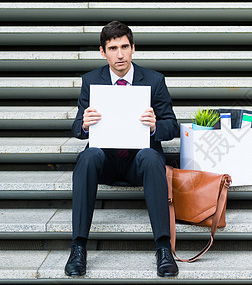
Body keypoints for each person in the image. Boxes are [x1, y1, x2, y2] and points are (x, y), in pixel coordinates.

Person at [65, 21, 179, 277]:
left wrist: (154, 127)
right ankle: (78, 248)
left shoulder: (154, 80)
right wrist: (84, 124)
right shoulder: (91, 80)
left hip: (139, 162)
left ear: (133, 48)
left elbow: (172, 126)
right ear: (103, 52)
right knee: (87, 156)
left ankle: (163, 248)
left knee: (151, 156)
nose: (120, 54)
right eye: (113, 48)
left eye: (125, 47)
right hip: (104, 161)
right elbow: (75, 128)